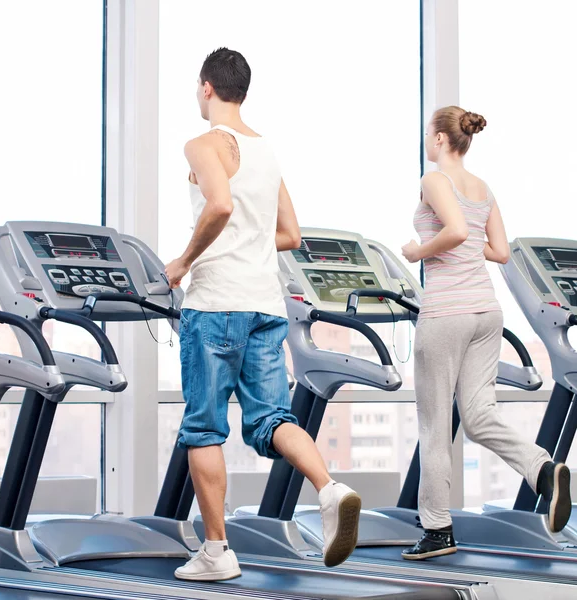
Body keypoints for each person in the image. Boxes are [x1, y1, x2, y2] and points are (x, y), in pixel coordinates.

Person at [164, 48, 361, 581]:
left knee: (204, 428)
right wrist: (245, 241)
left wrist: (182, 262)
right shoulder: (266, 152)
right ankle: (330, 488)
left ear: (206, 88)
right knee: (273, 418)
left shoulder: (202, 144)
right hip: (264, 306)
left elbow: (220, 204)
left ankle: (217, 552)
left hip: (215, 305)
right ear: (242, 91)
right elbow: (290, 235)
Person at [400, 106, 572, 560]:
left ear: (440, 139)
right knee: (478, 417)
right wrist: (464, 239)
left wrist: (419, 249)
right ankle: (542, 470)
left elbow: (456, 231)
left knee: (436, 426)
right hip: (486, 312)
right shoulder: (483, 188)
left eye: (426, 134)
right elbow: (497, 249)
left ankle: (437, 531)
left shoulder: (434, 180)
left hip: (446, 312)